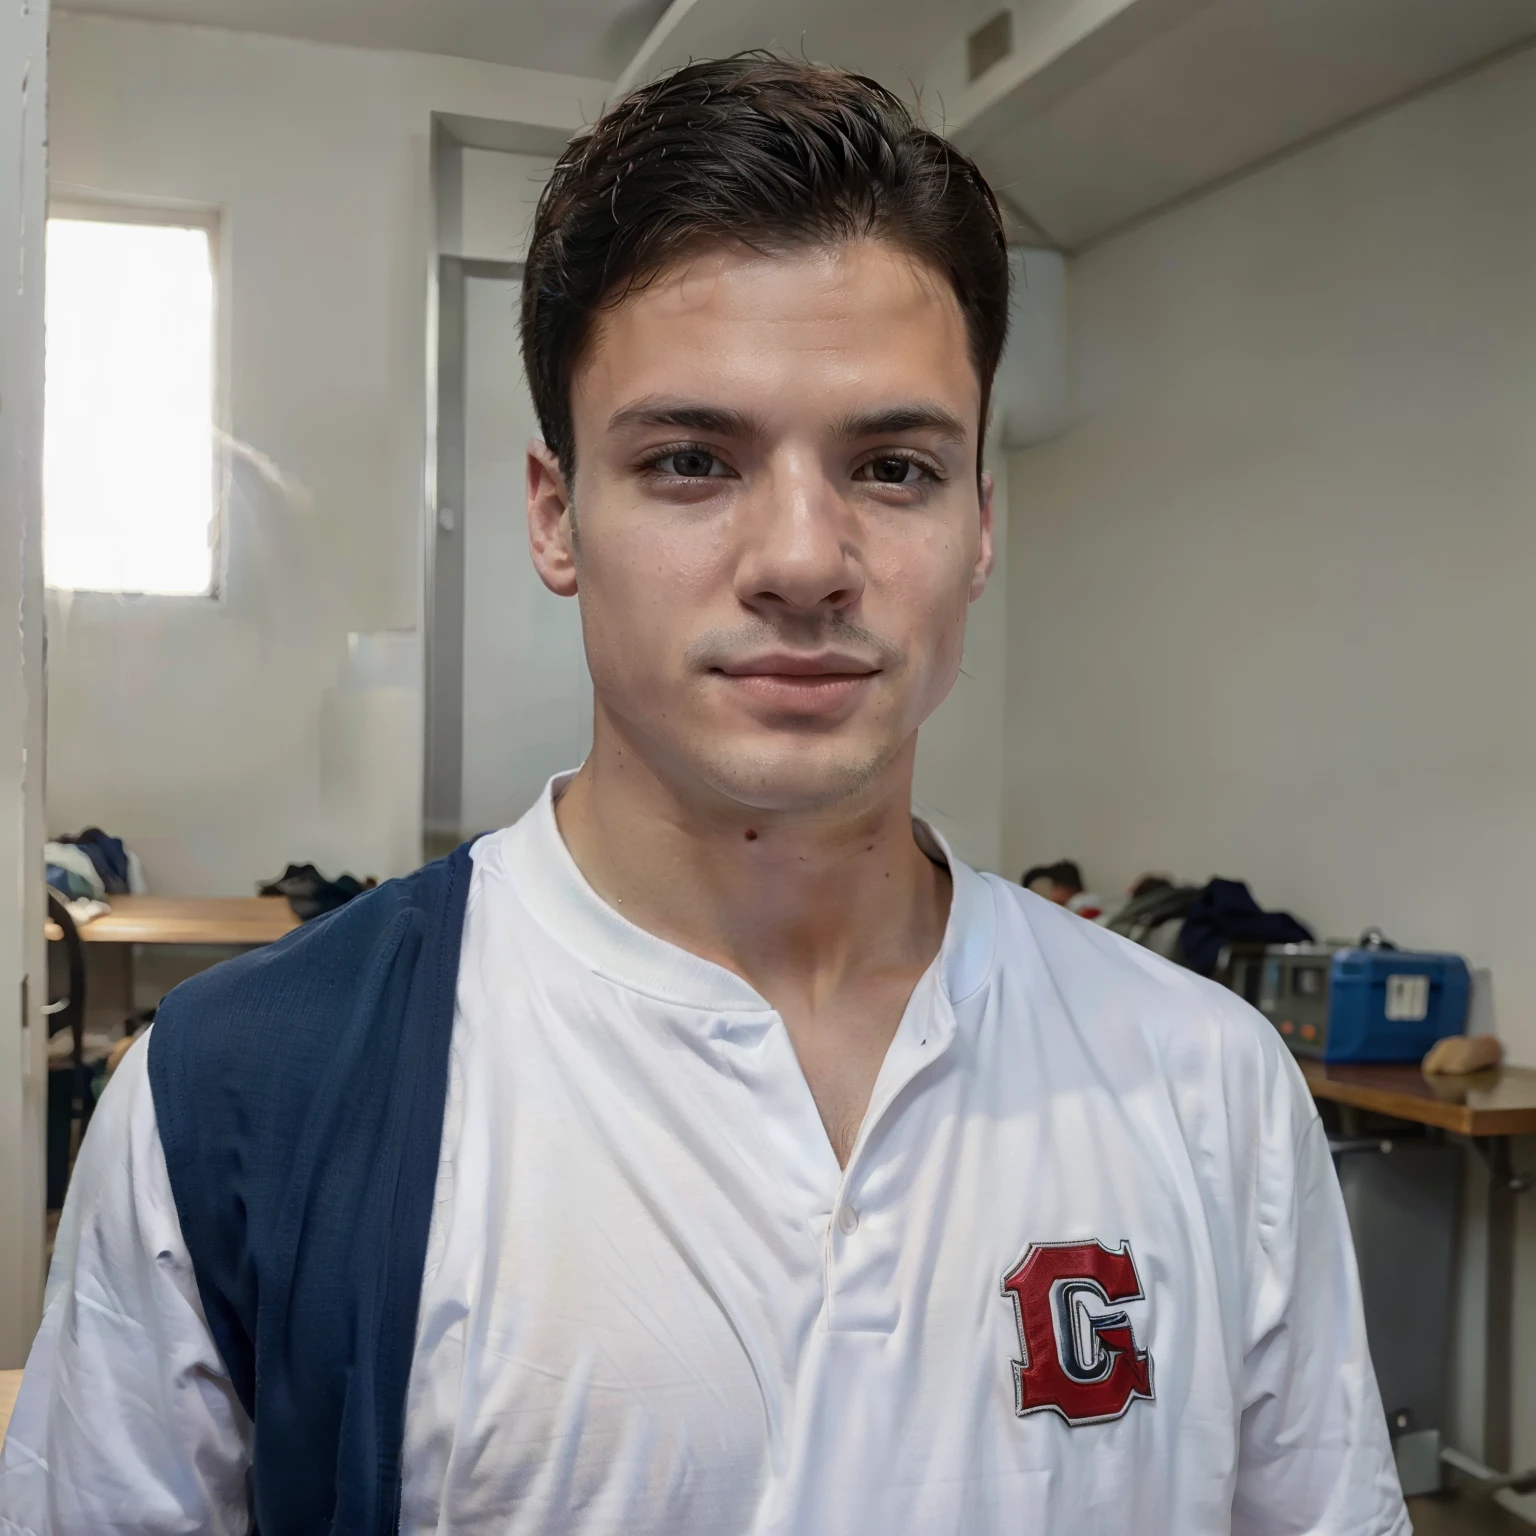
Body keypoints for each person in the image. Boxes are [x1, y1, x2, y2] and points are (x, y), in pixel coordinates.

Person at [0, 54, 1407, 1536]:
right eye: (690, 460)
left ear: (982, 523)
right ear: (557, 514)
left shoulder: (1207, 1090)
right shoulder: (239, 1101)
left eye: (894, 466)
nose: (803, 558)